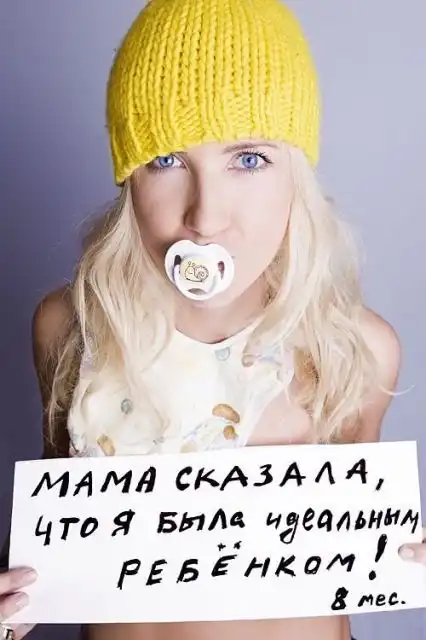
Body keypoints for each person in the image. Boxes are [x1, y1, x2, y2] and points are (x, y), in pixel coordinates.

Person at [1, 0, 425, 638]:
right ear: (128, 178)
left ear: (297, 174)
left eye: (248, 159)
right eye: (166, 160)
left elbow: (364, 544)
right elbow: (54, 527)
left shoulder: (355, 349)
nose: (205, 217)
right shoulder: (70, 328)